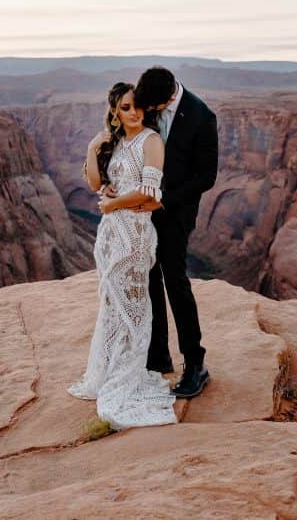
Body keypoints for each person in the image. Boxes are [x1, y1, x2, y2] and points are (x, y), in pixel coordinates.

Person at [68, 82, 177, 430]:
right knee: (111, 303)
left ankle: (129, 373)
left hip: (136, 234)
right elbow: (96, 183)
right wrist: (91, 149)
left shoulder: (151, 141)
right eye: (127, 108)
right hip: (110, 235)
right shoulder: (114, 142)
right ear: (115, 110)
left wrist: (114, 203)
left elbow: (152, 193)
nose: (134, 113)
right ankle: (111, 368)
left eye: (138, 107)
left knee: (134, 303)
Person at [126, 66, 218, 398]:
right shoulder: (149, 102)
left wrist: (162, 201)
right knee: (148, 280)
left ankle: (195, 363)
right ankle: (157, 356)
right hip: (141, 212)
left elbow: (206, 176)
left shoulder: (201, 116)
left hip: (175, 214)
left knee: (175, 283)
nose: (149, 113)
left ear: (169, 96)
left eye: (155, 108)